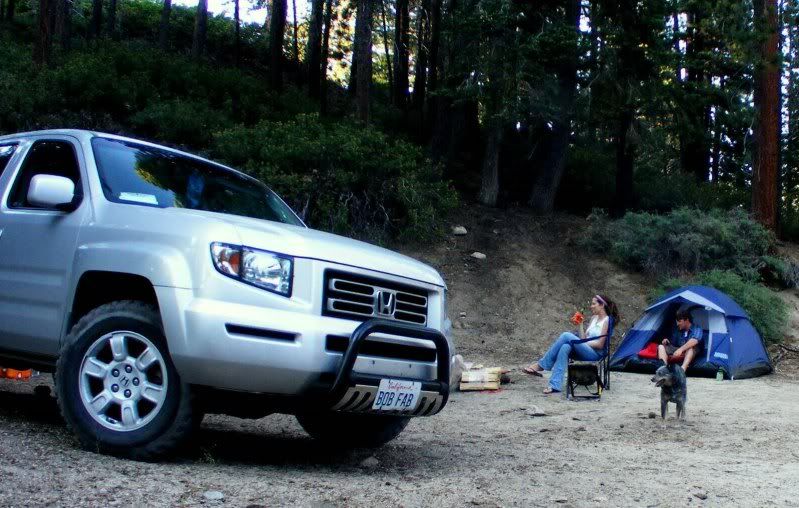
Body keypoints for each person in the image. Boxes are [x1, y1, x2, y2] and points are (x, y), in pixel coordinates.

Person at [523, 295, 620, 394]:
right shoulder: (593, 318)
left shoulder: (607, 320)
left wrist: (582, 343)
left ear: (602, 305)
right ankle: (554, 385)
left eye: (594, 304)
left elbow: (600, 344)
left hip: (596, 353)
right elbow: (583, 338)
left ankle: (541, 365)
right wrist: (581, 324)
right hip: (585, 349)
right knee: (565, 347)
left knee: (566, 335)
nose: (591, 306)